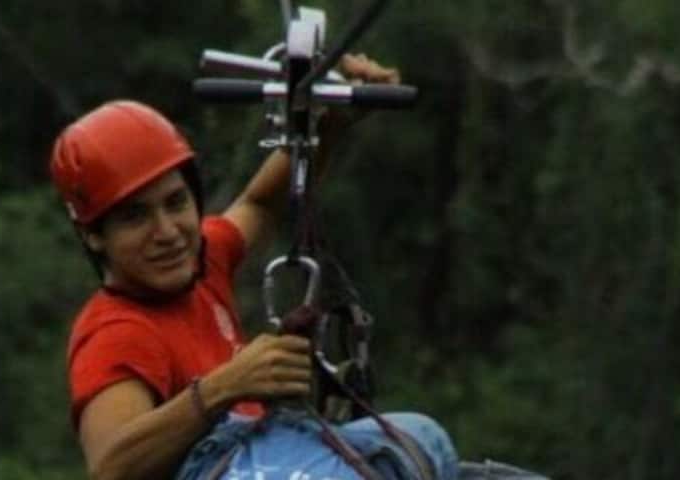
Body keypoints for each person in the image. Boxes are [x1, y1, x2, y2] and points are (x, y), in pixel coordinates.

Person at [54, 56, 455, 480]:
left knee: (424, 438)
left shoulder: (202, 261)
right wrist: (222, 389)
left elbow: (261, 204)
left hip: (267, 454)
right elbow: (111, 468)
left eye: (176, 203)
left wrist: (331, 123)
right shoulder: (117, 334)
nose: (168, 232)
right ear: (94, 235)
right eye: (135, 217)